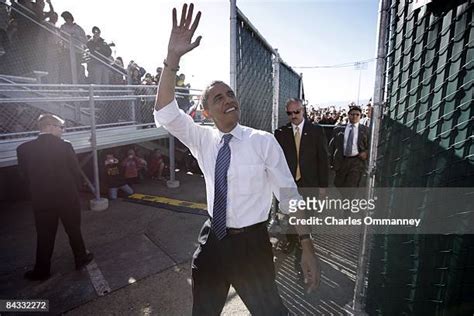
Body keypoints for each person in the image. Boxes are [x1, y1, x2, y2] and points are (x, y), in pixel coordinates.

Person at [153, 4, 320, 315]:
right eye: (218, 98)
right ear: (206, 112)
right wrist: (172, 58)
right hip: (212, 244)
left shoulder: (262, 141)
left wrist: (307, 248)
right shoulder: (202, 139)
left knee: (271, 311)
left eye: (230, 94)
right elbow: (165, 112)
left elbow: (289, 197)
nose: (228, 99)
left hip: (252, 246)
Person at [16, 114, 93, 281]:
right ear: (50, 126)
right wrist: (76, 191)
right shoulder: (65, 146)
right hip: (67, 197)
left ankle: (42, 270)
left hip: (41, 200)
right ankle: (80, 258)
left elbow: (24, 176)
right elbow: (75, 172)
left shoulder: (23, 149)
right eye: (61, 127)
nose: (63, 131)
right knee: (73, 229)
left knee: (44, 235)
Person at [274, 98, 328, 270]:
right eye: (289, 113)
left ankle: (303, 242)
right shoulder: (281, 133)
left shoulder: (316, 131)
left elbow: (323, 160)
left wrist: (323, 186)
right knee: (290, 215)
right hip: (289, 184)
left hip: (309, 182)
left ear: (303, 111)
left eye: (296, 112)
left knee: (308, 214)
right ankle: (291, 241)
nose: (293, 116)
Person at [329, 105, 369, 189]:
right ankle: (346, 199)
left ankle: (348, 201)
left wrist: (366, 152)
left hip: (356, 161)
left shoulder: (365, 130)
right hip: (342, 160)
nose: (354, 116)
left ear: (360, 116)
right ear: (348, 115)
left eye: (357, 115)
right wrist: (330, 162)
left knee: (352, 185)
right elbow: (331, 146)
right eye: (352, 114)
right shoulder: (339, 129)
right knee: (339, 184)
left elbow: (370, 145)